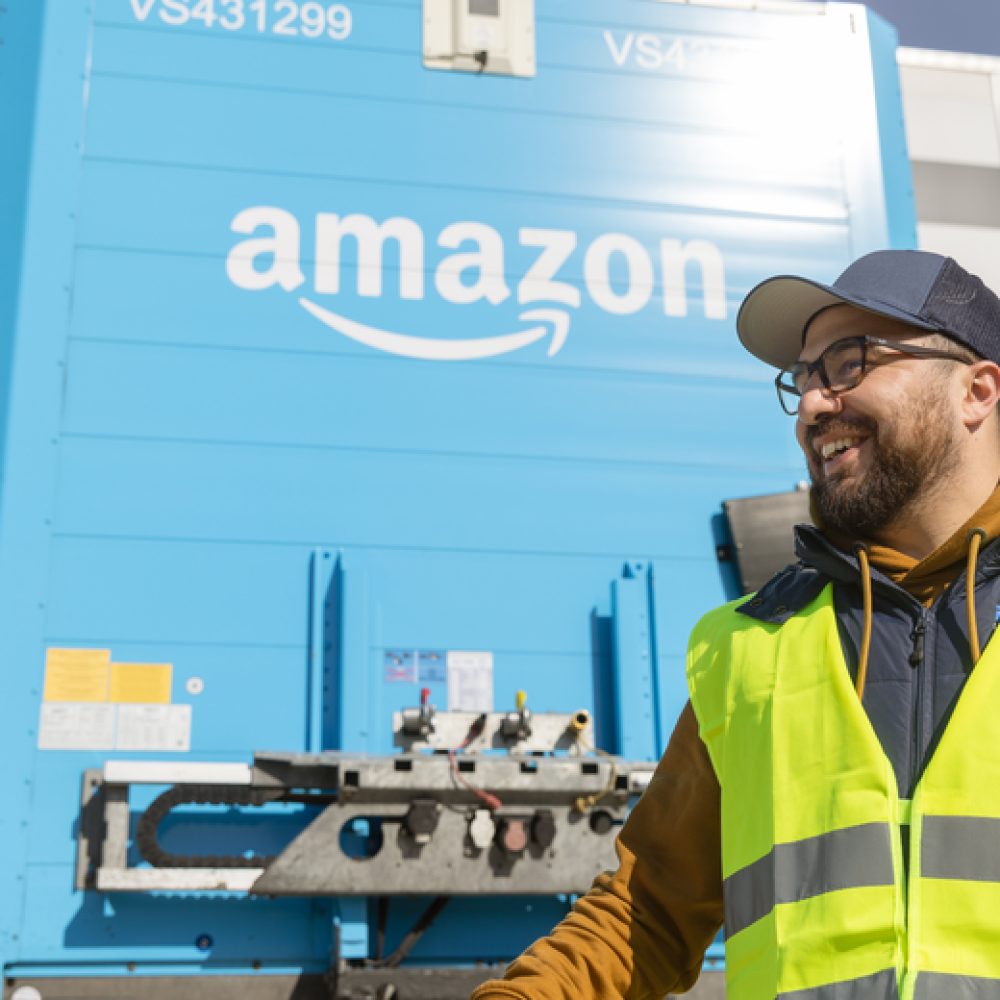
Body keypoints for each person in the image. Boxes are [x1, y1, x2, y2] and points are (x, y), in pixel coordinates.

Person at [471, 249, 1000, 1000]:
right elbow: (646, 910)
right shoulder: (751, 647)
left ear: (976, 392)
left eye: (849, 363)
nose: (815, 405)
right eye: (804, 379)